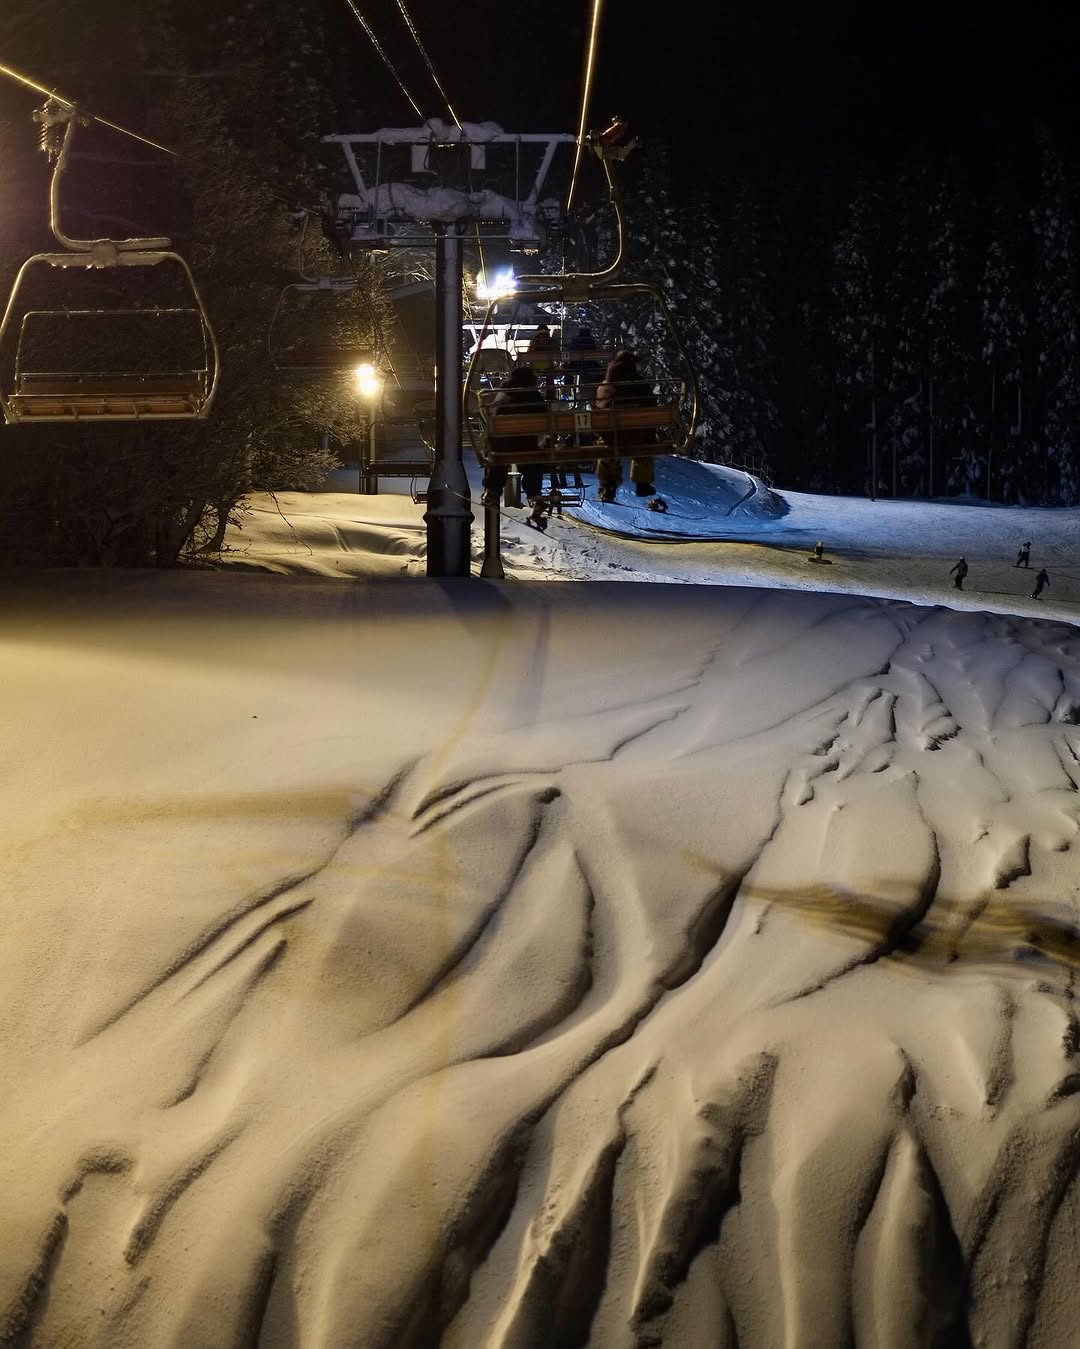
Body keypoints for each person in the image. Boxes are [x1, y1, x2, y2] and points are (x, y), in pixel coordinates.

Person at [594, 350, 658, 502]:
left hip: (612, 435)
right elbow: (651, 405)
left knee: (607, 445)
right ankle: (642, 482)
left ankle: (608, 484)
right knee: (643, 446)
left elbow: (598, 409)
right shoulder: (640, 385)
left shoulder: (604, 387)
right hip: (638, 435)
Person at [481, 366, 547, 505]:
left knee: (497, 458)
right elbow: (544, 421)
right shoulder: (535, 397)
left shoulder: (503, 395)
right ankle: (534, 494)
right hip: (527, 446)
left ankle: (493, 489)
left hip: (503, 446)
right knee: (532, 464)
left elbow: (492, 421)